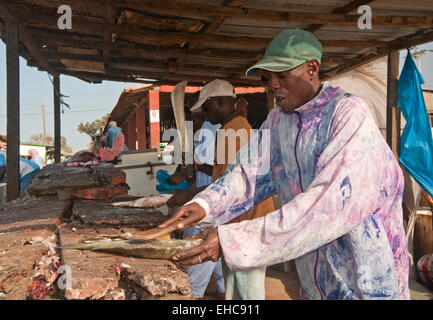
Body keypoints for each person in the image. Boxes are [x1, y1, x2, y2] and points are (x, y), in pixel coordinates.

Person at [160, 29, 410, 300]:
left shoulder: (348, 114)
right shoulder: (279, 121)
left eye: (282, 75)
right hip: (315, 284)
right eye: (268, 78)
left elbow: (327, 206)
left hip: (366, 284)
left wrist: (234, 240)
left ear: (312, 69)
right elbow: (247, 176)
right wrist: (205, 205)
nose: (273, 85)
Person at [167, 79, 275, 300]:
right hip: (237, 223)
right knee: (234, 289)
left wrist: (190, 195)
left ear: (222, 102)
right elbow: (224, 180)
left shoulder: (235, 131)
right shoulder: (229, 129)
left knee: (248, 290)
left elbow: (231, 185)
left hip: (248, 223)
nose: (205, 114)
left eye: (206, 108)